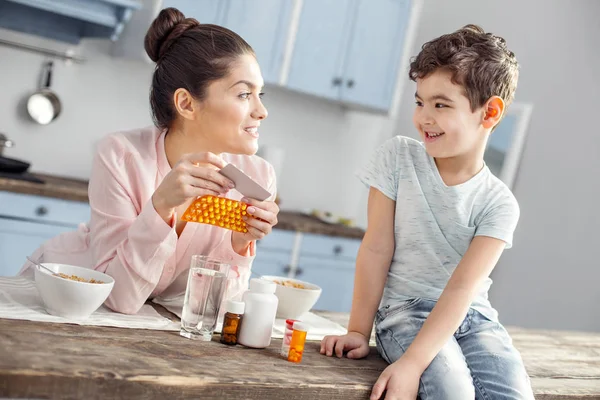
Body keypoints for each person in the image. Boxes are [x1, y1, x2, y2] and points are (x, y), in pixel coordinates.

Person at [320, 25, 535, 400]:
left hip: (474, 319)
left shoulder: (500, 204)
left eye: (441, 104)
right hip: (405, 312)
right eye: (420, 102)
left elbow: (462, 288)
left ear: (490, 113)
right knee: (453, 393)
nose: (424, 117)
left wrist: (415, 361)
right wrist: (359, 330)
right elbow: (375, 249)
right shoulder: (397, 158)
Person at [19, 7, 279, 315]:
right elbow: (119, 298)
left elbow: (213, 313)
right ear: (186, 103)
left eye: (260, 94)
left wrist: (239, 244)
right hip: (62, 298)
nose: (261, 111)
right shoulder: (120, 155)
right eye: (243, 95)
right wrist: (160, 208)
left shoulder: (258, 177)